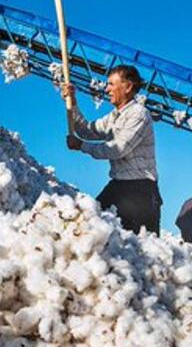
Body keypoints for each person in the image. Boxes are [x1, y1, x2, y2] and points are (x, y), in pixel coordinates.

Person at [61, 65, 161, 235]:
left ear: (128, 87)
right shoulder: (115, 116)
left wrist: (81, 146)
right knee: (91, 222)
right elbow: (86, 130)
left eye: (111, 84)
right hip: (120, 186)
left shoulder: (139, 114)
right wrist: (72, 103)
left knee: (138, 246)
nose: (107, 89)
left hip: (140, 191)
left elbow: (118, 148)